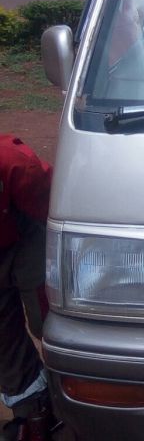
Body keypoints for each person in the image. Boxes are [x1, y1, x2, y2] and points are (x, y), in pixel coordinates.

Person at [1, 136, 53, 441]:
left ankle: (73, 388)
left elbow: (54, 209)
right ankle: (32, 408)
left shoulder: (13, 163)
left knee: (45, 317)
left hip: (27, 236)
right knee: (3, 338)